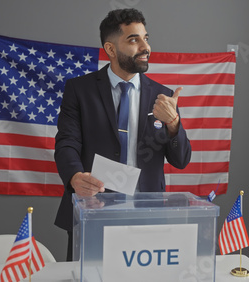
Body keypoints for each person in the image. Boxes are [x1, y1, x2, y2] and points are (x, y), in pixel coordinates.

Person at [54, 8, 192, 261]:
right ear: (110, 49)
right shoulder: (79, 89)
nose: (145, 46)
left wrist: (173, 123)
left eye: (146, 38)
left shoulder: (163, 96)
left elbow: (181, 160)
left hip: (146, 214)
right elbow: (67, 143)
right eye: (133, 39)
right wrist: (74, 176)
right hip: (92, 210)